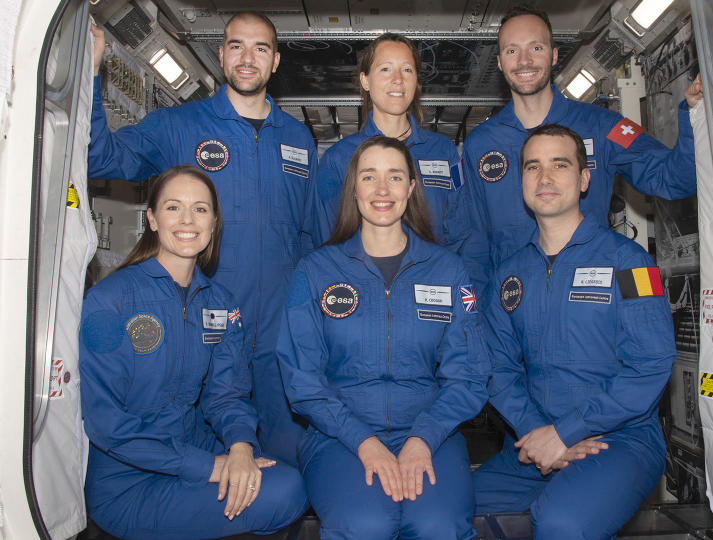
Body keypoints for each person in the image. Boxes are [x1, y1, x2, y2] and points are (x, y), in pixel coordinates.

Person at [87, 11, 317, 465]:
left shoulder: (299, 139)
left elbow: (310, 233)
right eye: (236, 46)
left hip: (279, 334)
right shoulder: (178, 126)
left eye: (261, 48)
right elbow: (102, 158)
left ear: (275, 62)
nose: (247, 58)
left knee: (287, 467)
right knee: (214, 463)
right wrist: (92, 73)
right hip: (205, 332)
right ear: (220, 54)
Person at [79, 165, 307, 540]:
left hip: (194, 447)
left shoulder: (219, 303)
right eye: (173, 208)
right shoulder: (111, 301)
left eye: (200, 209)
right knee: (280, 494)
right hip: (130, 480)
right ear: (152, 219)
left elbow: (227, 393)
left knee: (289, 481)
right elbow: (106, 425)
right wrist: (208, 466)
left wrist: (238, 447)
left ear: (214, 223)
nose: (187, 220)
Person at [277, 137, 489, 539]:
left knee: (438, 526)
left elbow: (470, 375)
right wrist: (364, 441)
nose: (381, 190)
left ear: (411, 188)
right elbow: (302, 378)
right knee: (366, 525)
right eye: (369, 176)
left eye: (395, 177)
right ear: (353, 188)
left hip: (431, 433)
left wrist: (424, 438)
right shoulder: (315, 270)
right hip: (339, 435)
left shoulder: (447, 270)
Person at [472, 125, 676, 539]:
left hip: (620, 439)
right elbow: (496, 365)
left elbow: (651, 364)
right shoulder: (510, 274)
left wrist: (568, 432)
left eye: (559, 165)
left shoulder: (630, 263)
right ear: (522, 181)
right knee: (452, 512)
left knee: (563, 523)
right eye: (533, 167)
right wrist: (537, 432)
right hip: (535, 437)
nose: (545, 178)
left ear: (584, 180)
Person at [462, 4, 703, 295]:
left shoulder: (602, 126)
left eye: (536, 48)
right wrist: (475, 318)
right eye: (512, 51)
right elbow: (474, 241)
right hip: (512, 307)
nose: (524, 61)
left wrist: (694, 115)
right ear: (499, 62)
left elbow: (674, 179)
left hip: (587, 300)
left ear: (553, 56)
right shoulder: (481, 143)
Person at [315, 33, 484, 281]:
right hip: (361, 293)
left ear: (416, 82)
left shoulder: (443, 151)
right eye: (385, 69)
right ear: (365, 80)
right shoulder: (338, 159)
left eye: (407, 70)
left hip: (432, 289)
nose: (398, 80)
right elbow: (326, 242)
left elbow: (464, 232)